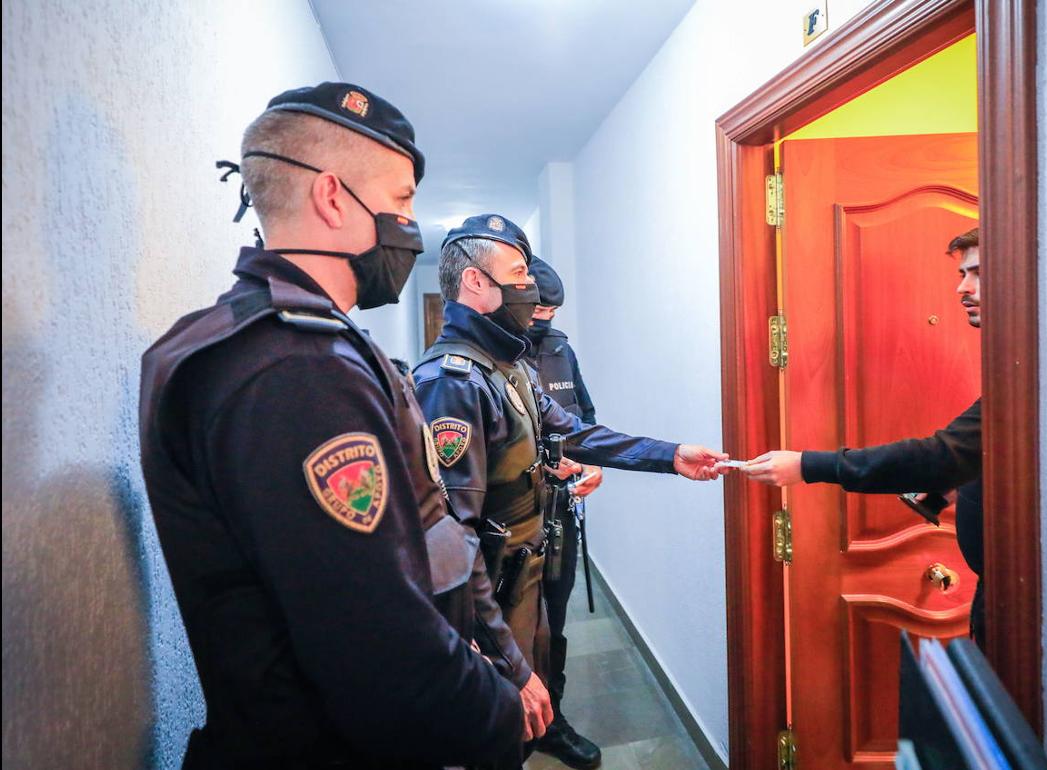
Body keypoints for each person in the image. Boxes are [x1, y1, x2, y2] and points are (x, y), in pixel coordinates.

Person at [138, 83, 524, 769]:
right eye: (402, 201)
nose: (411, 225)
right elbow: (380, 654)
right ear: (331, 197)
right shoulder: (295, 373)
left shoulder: (297, 343)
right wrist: (496, 716)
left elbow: (398, 557)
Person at [411, 214, 727, 767]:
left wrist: (671, 455)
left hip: (526, 576)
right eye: (519, 275)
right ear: (476, 284)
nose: (529, 290)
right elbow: (454, 541)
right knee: (495, 735)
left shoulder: (509, 367)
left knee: (527, 715)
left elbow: (578, 432)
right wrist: (507, 659)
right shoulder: (452, 382)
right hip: (490, 599)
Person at [735, 228, 988, 647]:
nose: (962, 288)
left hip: (1016, 606)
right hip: (991, 599)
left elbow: (941, 454)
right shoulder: (1014, 358)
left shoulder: (1026, 366)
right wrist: (970, 481)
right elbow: (974, 453)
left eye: (977, 274)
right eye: (963, 273)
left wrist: (806, 465)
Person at [521, 257, 604, 768]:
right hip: (508, 526)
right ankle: (507, 726)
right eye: (538, 310)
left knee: (554, 619)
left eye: (553, 311)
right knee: (510, 630)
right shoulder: (486, 360)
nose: (546, 320)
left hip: (560, 516)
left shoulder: (560, 350)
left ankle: (552, 721)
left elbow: (585, 420)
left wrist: (591, 465)